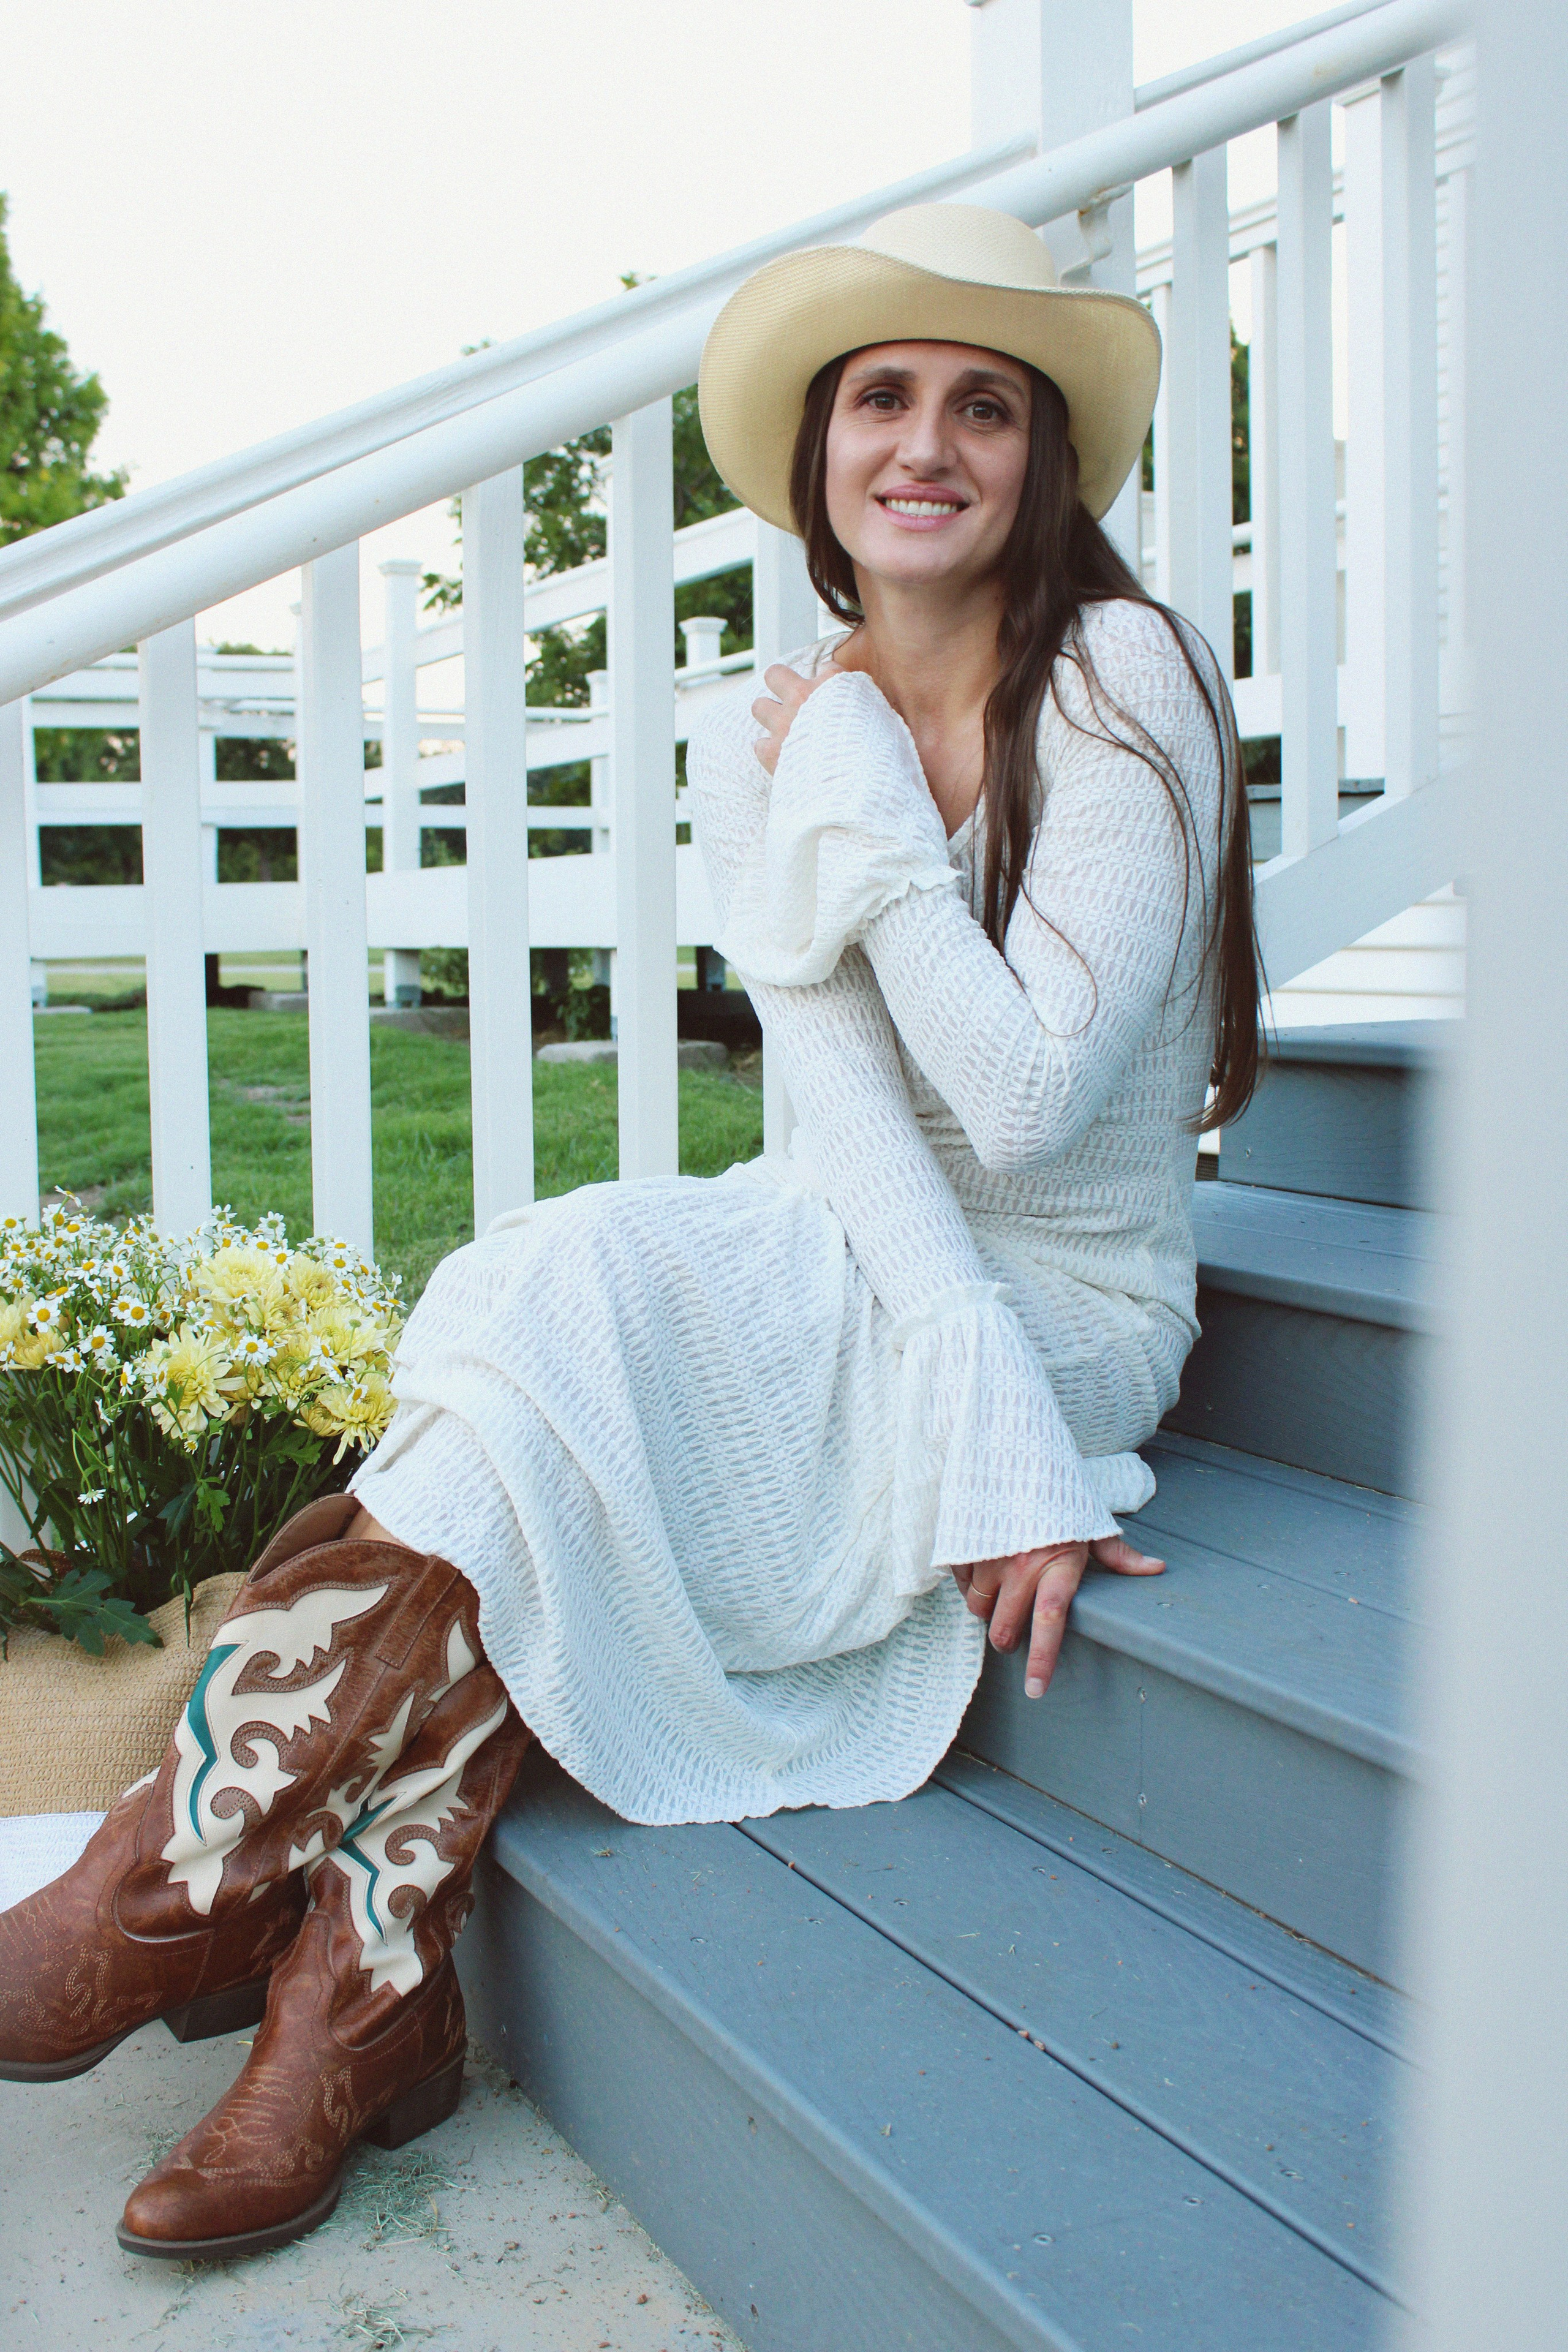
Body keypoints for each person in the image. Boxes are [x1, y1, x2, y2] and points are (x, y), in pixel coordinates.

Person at [0, 202, 1259, 2261]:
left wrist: (988, 1398)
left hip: (1059, 1297)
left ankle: (202, 1909)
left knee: (573, 1348)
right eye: (880, 399)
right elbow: (841, 1121)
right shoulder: (783, 730)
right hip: (860, 1245)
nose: (924, 443)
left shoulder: (1121, 678)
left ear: (1043, 460)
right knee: (546, 1306)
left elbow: (1026, 1110)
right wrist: (834, 774)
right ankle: (331, 1987)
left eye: (983, 406)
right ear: (818, 459)